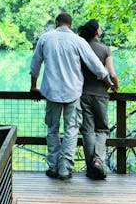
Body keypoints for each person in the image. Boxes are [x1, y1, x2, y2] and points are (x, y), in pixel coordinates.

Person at [29, 12, 113, 180]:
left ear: (56, 22)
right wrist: (108, 83)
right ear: (71, 24)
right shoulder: (78, 41)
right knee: (71, 131)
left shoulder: (45, 38)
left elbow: (35, 63)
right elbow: (96, 66)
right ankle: (65, 170)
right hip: (73, 92)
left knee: (52, 130)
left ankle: (53, 167)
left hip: (51, 92)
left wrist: (33, 86)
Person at [77, 19, 118, 180]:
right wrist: (115, 86)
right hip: (101, 94)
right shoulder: (104, 49)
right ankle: (98, 161)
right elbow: (112, 74)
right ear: (96, 32)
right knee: (101, 130)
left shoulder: (80, 47)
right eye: (100, 28)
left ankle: (90, 168)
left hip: (82, 94)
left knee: (87, 130)